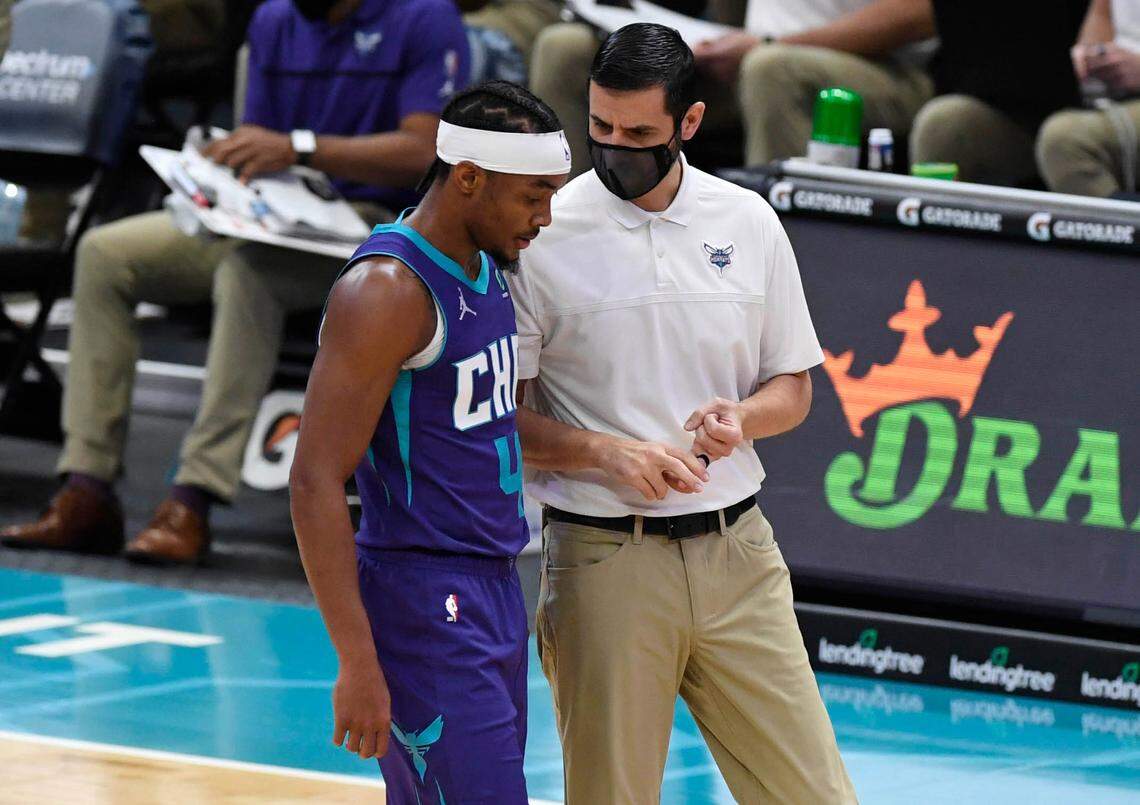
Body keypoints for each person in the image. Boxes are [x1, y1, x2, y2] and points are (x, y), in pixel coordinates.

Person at [511, 24, 857, 804]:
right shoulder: (542, 234)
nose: (613, 148)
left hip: (740, 556)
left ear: (689, 124)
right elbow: (503, 419)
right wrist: (606, 453)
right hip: (605, 560)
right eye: (599, 128)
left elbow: (792, 386)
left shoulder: (748, 220)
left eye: (638, 133)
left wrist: (744, 418)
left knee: (816, 794)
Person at [0, 0, 468, 564]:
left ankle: (192, 495)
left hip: (372, 228)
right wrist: (219, 172)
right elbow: (259, 139)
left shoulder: (424, 17)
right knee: (106, 254)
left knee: (249, 273)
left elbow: (427, 151)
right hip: (275, 212)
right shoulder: (272, 18)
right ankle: (86, 487)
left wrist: (300, 147)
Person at [289, 82, 569, 803]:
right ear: (469, 178)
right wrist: (356, 660)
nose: (545, 216)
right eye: (533, 195)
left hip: (496, 586)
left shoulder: (487, 265)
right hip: (424, 599)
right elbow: (315, 480)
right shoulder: (386, 289)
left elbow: (482, 421)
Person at [531, 0, 935, 175]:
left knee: (772, 70)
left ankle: (778, 267)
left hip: (888, 69)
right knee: (563, 47)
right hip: (751, 52)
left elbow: (921, 14)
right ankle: (567, 232)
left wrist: (769, 45)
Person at [1038, 0, 1140, 196]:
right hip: (1111, 94)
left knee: (1065, 140)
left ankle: (1118, 226)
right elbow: (1101, 15)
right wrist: (1090, 54)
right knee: (961, 120)